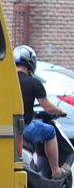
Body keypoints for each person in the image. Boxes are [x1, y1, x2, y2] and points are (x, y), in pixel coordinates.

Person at [15, 45, 70, 180]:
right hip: (24, 128)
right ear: (31, 63)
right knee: (50, 131)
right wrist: (61, 111)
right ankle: (56, 171)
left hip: (5, 127)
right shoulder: (34, 82)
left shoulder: (5, 81)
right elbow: (49, 108)